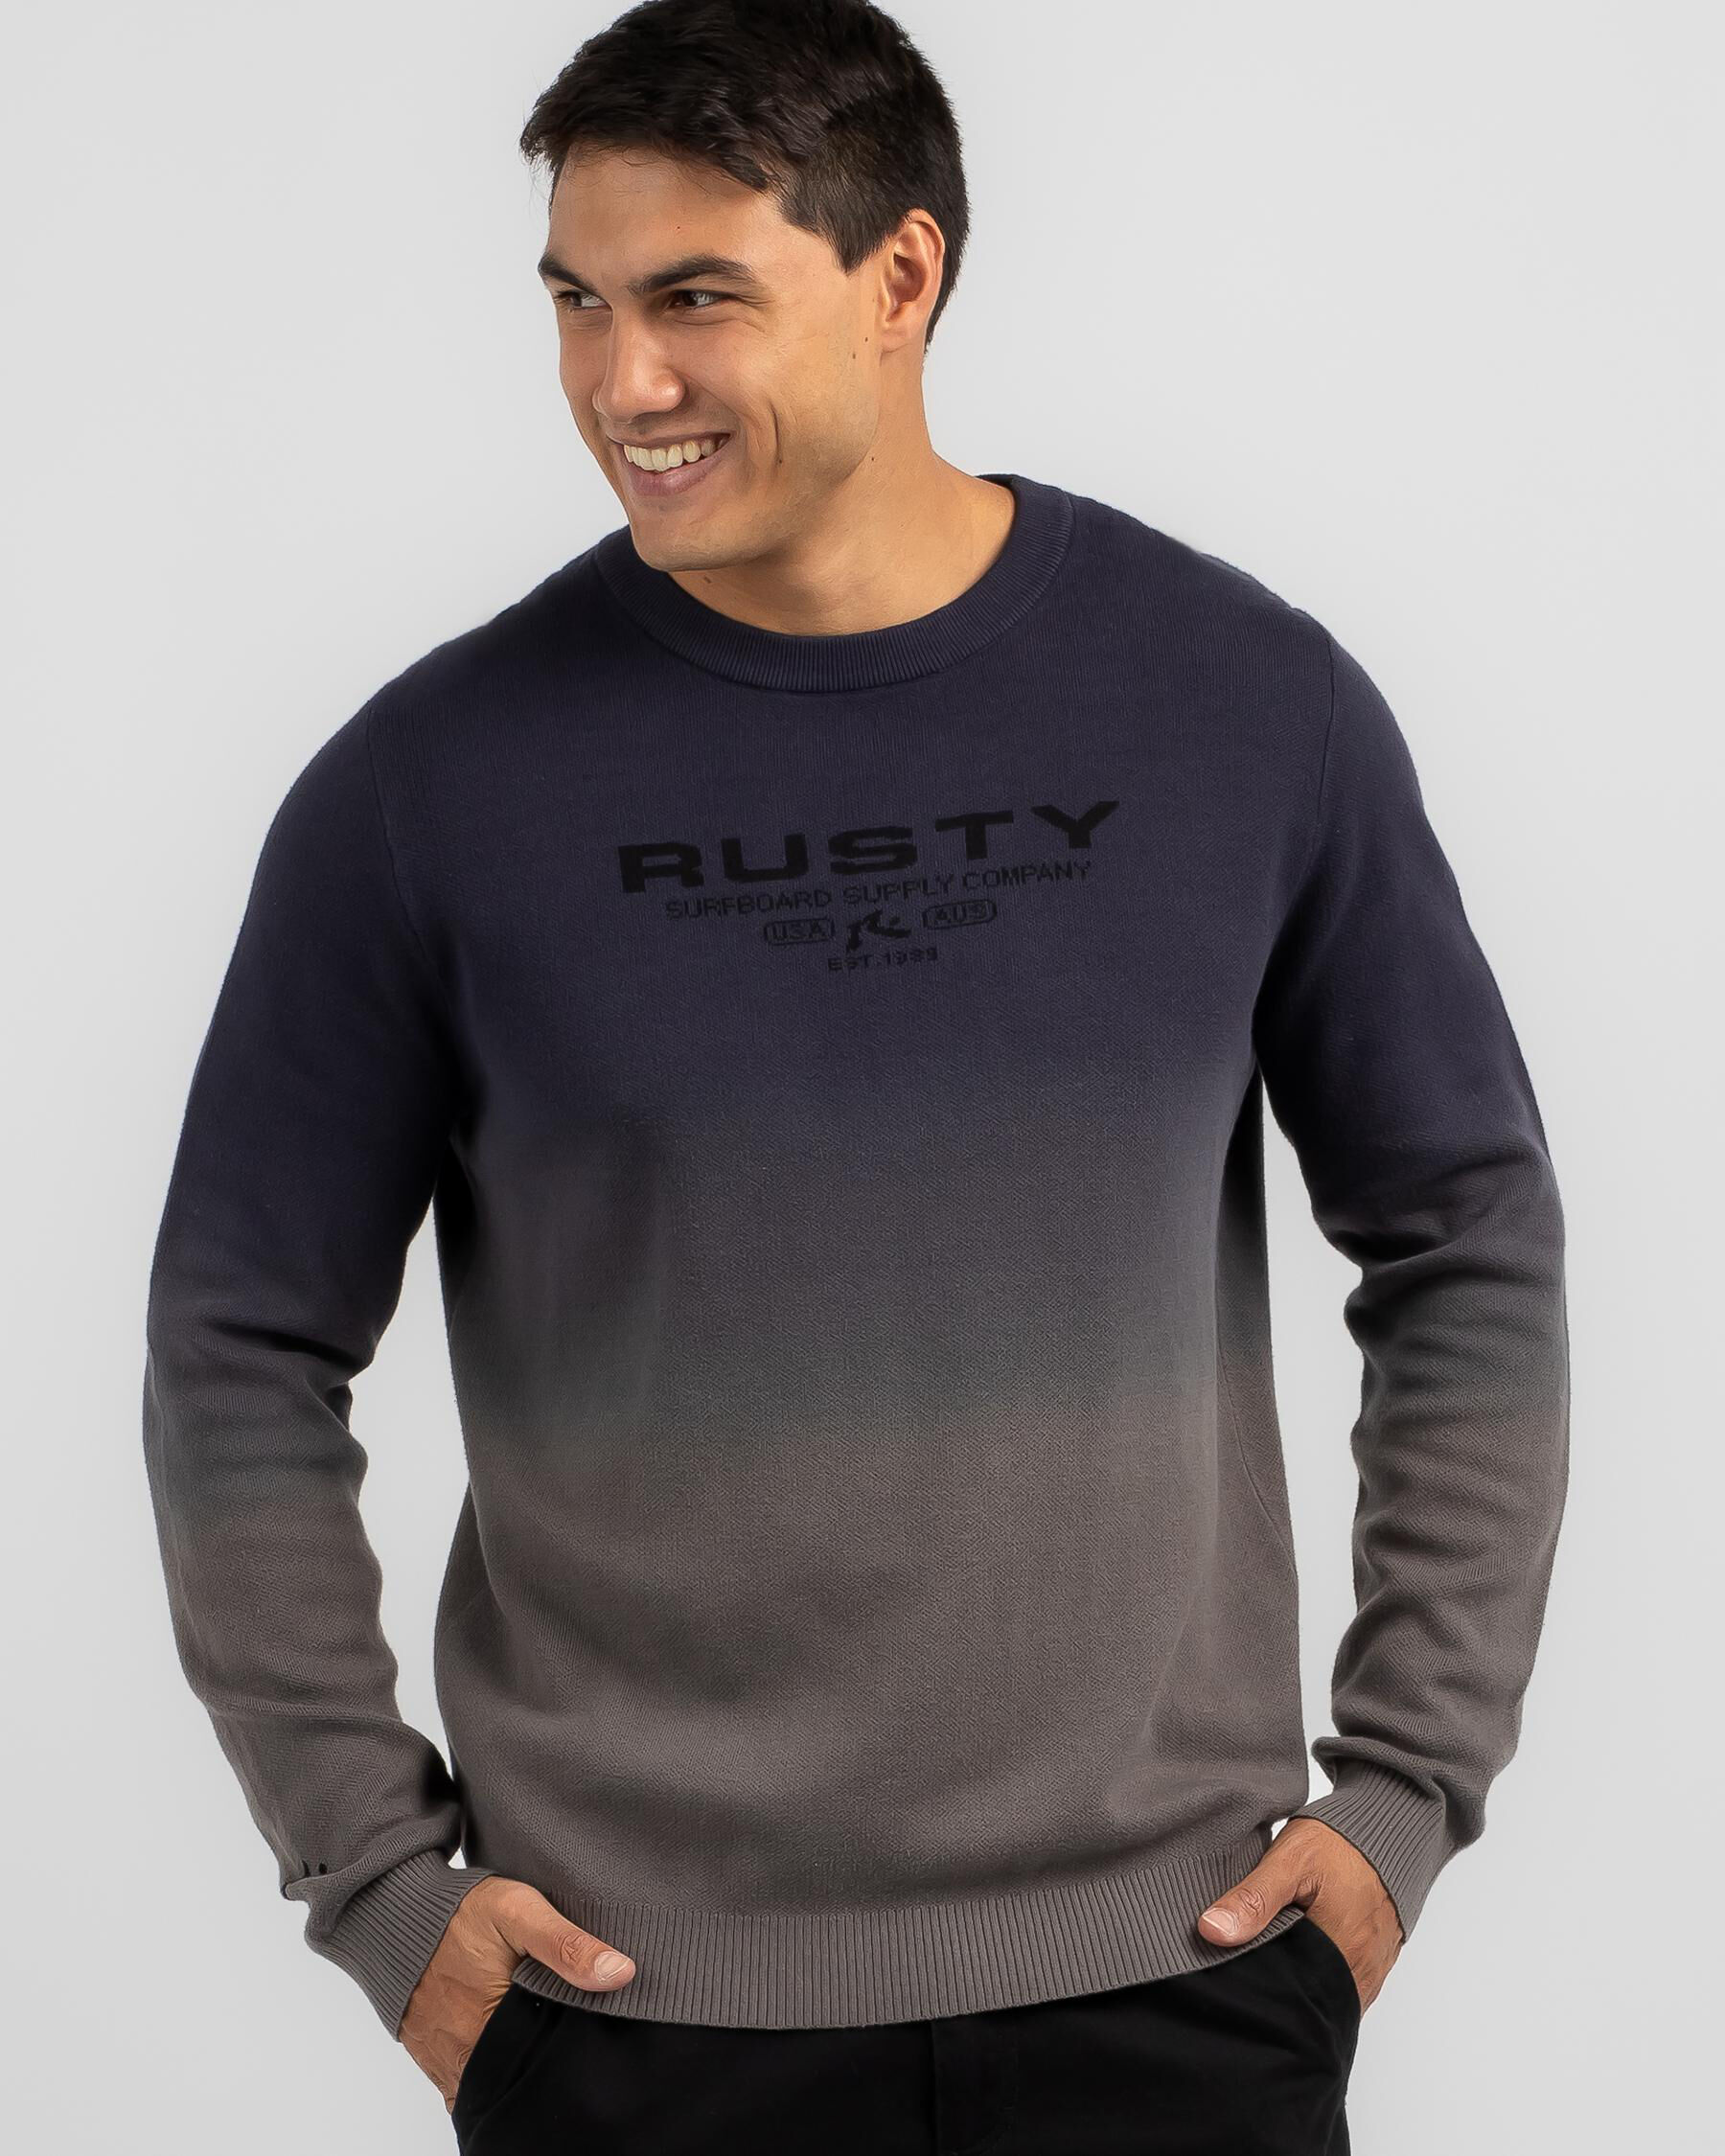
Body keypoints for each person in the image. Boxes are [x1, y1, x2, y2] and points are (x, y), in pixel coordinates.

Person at [140, 2, 1570, 2148]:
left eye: (695, 299)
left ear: (902, 275)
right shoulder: (430, 790)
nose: (620, 382)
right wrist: (375, 1878)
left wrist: (1408, 1788)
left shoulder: (1242, 708)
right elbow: (239, 1338)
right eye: (577, 303)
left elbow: (1468, 1232)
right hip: (631, 2016)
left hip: (1182, 1981)